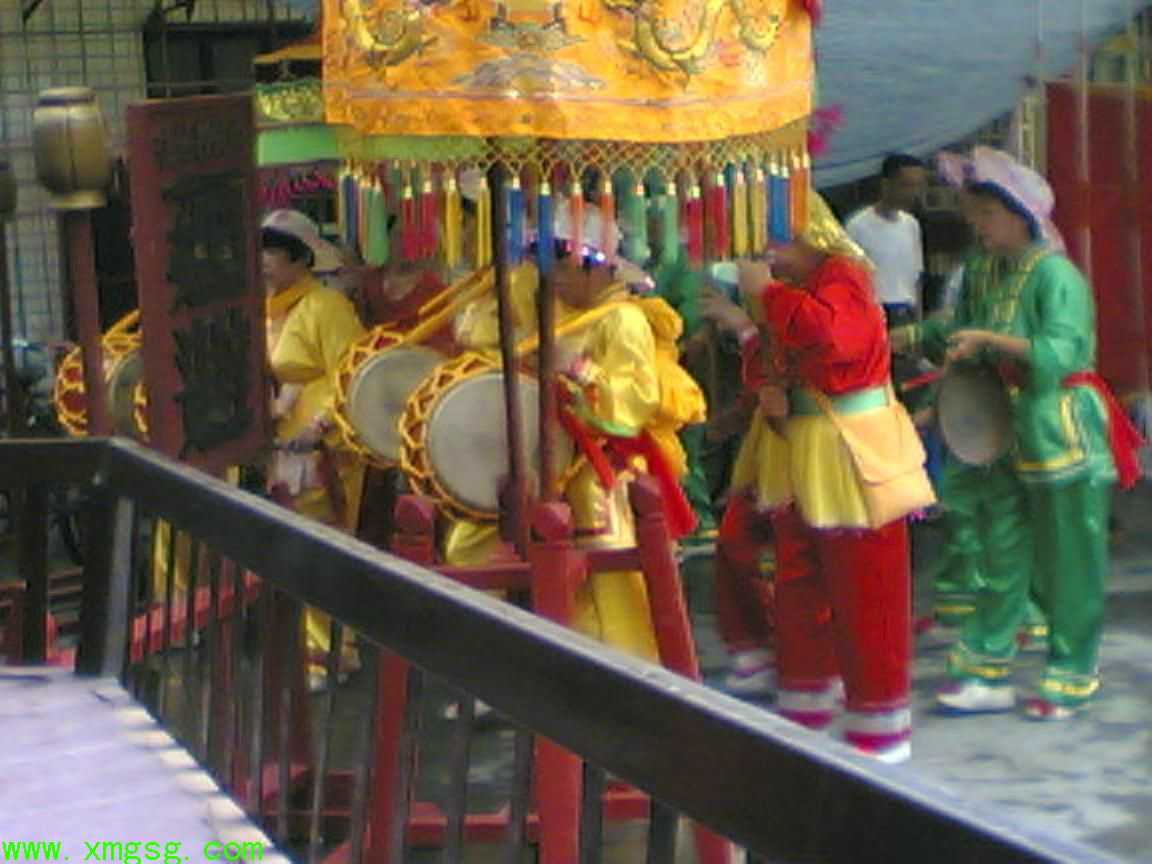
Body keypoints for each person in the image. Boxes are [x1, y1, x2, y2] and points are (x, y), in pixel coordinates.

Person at [894, 147, 1142, 719]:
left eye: (985, 214)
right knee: (997, 548)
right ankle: (985, 665)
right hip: (1002, 429)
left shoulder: (1056, 275)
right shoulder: (983, 269)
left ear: (1020, 214)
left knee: (1068, 558)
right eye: (972, 214)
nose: (976, 225)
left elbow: (1063, 352)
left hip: (1059, 430)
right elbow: (958, 331)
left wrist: (991, 341)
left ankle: (1072, 670)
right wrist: (906, 339)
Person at [703, 195, 934, 762]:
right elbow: (776, 358)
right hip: (799, 451)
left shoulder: (844, 276)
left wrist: (767, 297)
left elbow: (835, 342)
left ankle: (879, 728)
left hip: (852, 452)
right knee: (799, 584)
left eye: (776, 241)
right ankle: (806, 706)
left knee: (866, 591)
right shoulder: (795, 286)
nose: (767, 255)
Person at [262, 209, 367, 690]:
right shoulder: (269, 308)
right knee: (296, 542)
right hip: (284, 435)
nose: (265, 260)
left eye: (275, 251)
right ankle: (316, 648)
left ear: (301, 258)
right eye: (262, 250)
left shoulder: (327, 306)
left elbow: (351, 372)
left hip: (322, 439)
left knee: (321, 541)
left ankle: (331, 652)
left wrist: (321, 424)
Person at [846, 154, 928, 326]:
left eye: (917, 186)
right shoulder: (858, 226)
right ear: (886, 184)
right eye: (906, 185)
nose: (912, 193)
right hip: (873, 313)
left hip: (906, 312)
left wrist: (918, 322)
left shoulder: (911, 225)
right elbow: (848, 279)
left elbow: (916, 277)